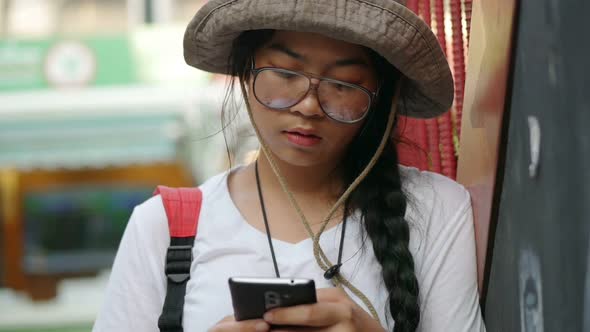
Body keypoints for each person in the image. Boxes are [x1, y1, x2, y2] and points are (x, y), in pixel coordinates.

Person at [93, 0, 486, 331]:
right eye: (283, 73)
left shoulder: (438, 209)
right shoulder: (163, 226)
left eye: (344, 84)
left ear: (380, 100)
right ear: (246, 74)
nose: (309, 105)